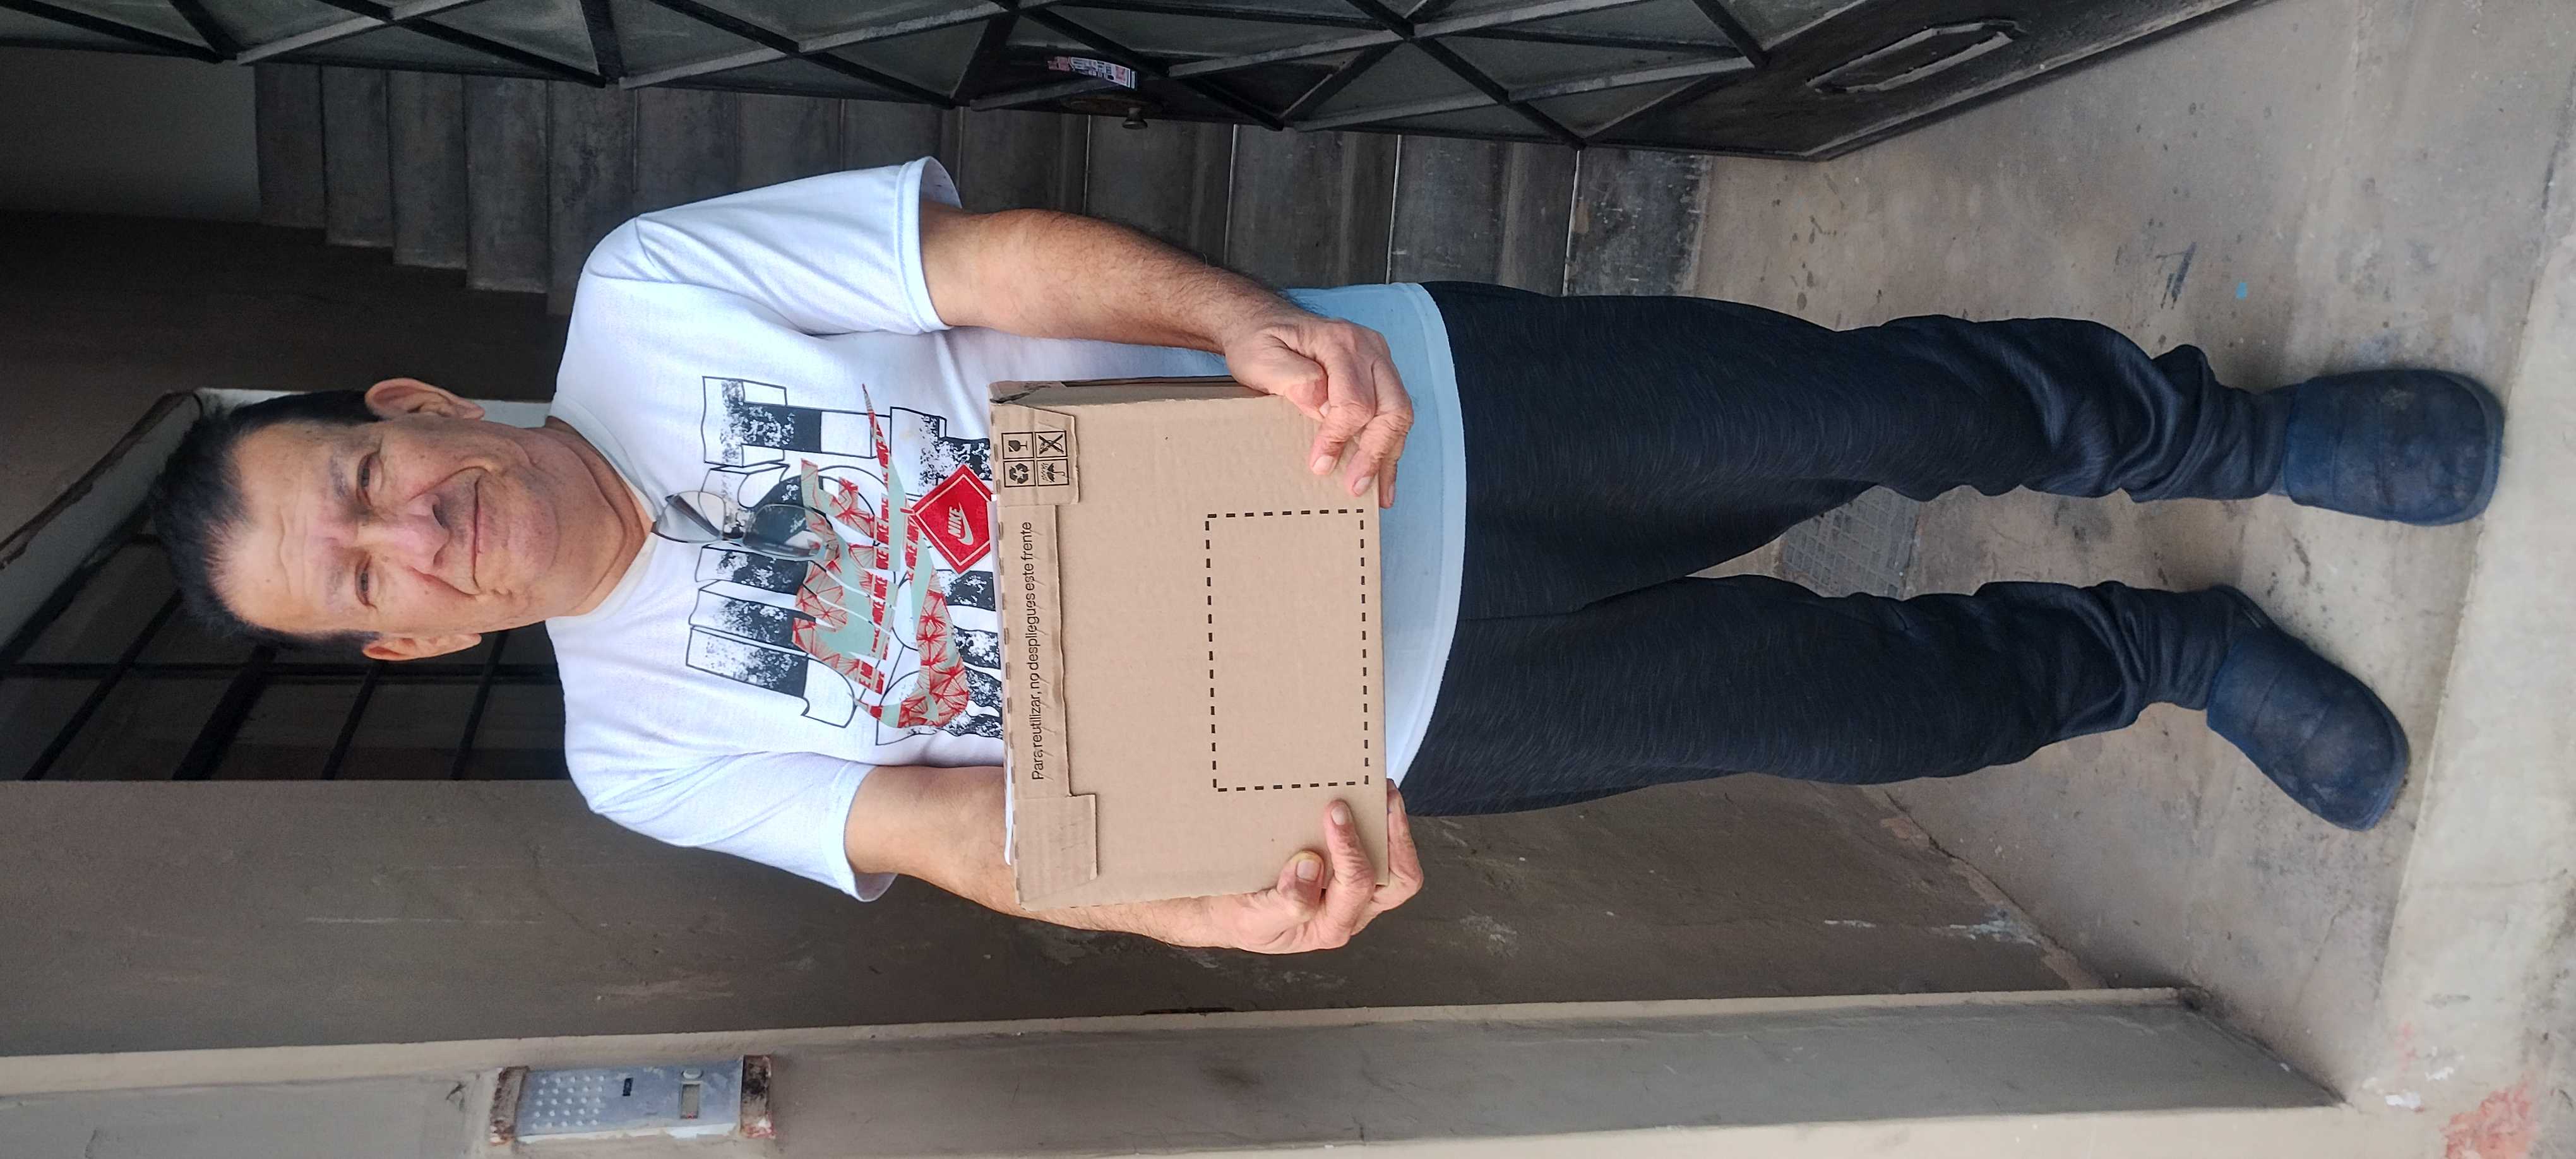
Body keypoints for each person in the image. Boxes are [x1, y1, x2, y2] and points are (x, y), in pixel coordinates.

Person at [146, 160, 2503, 954]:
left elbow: (984, 264)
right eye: (359, 584)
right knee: (1863, 707)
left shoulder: (651, 293)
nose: (401, 538)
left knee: (1874, 405)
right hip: (1402, 715)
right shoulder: (639, 752)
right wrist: (1193, 912)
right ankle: (2164, 650)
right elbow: (944, 829)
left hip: (1405, 421)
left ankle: (2225, 428)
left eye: (358, 483)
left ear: (410, 410)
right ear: (407, 640)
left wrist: (1240, 322)